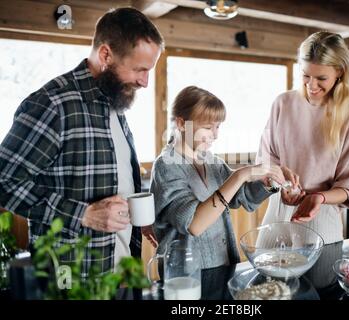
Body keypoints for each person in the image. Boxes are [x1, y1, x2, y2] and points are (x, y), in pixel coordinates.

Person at [0, 8, 164, 276]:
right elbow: (5, 182)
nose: (145, 82)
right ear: (105, 55)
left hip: (120, 270)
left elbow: (112, 179)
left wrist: (139, 220)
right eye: (139, 69)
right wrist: (84, 215)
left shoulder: (115, 103)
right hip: (72, 276)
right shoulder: (53, 104)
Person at [150, 86, 286, 268]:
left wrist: (270, 182)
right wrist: (241, 174)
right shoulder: (165, 167)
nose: (215, 135)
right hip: (186, 277)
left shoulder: (212, 162)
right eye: (208, 127)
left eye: (217, 127)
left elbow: (241, 196)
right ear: (182, 124)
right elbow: (194, 224)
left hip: (223, 264)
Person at [256, 31, 349, 244]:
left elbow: (348, 187)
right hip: (277, 211)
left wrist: (319, 197)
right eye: (306, 75)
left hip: (320, 216)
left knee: (318, 279)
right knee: (266, 276)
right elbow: (265, 160)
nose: (311, 85)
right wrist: (278, 182)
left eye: (321, 78)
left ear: (340, 73)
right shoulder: (283, 103)